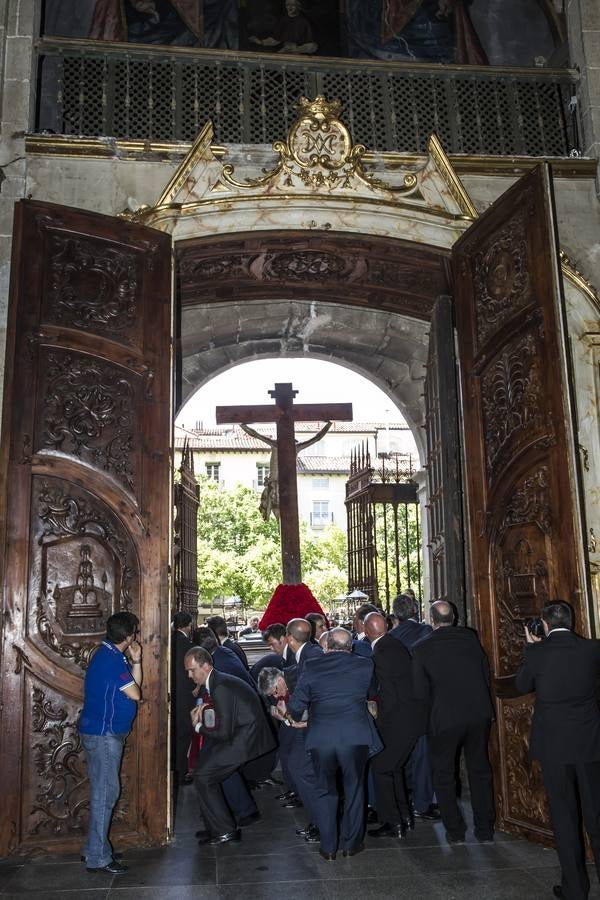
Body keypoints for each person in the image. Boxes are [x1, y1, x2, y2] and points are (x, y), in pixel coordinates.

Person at [516, 601, 600, 900]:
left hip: (553, 745)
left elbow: (522, 684)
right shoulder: (592, 649)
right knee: (596, 812)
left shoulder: (537, 653)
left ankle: (575, 889)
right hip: (589, 741)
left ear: (545, 623)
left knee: (564, 815)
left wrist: (530, 647)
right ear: (572, 620)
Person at [285, 627, 382, 860]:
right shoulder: (365, 665)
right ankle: (352, 844)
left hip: (322, 738)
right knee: (355, 789)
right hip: (355, 737)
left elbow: (297, 706)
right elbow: (371, 694)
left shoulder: (312, 667)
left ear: (327, 646)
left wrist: (296, 717)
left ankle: (328, 847)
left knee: (325, 790)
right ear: (350, 647)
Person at [412, 600, 495, 845]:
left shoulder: (421, 647)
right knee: (480, 771)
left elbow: (420, 693)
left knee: (444, 775)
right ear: (455, 618)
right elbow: (485, 672)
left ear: (431, 620)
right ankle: (485, 829)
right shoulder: (470, 638)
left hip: (444, 718)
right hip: (478, 713)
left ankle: (455, 832)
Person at [185, 646, 276, 844]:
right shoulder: (217, 681)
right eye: (188, 671)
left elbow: (224, 733)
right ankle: (217, 827)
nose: (190, 675)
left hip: (246, 740)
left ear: (206, 666)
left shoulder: (220, 686)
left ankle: (224, 830)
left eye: (192, 670)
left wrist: (198, 726)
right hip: (241, 735)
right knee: (203, 773)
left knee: (203, 775)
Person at [79, 611, 142, 875]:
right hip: (103, 735)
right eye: (135, 632)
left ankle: (94, 848)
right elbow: (136, 694)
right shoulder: (112, 661)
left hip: (100, 732)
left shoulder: (108, 654)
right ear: (129, 636)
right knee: (106, 794)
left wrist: (136, 660)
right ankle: (98, 857)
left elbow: (132, 690)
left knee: (103, 792)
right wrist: (134, 660)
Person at [363, 611, 427, 838]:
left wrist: (380, 722)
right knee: (393, 767)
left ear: (367, 630)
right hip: (412, 718)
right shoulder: (393, 643)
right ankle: (404, 817)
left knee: (380, 767)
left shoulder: (381, 651)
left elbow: (389, 693)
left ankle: (393, 823)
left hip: (400, 720)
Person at [389, 592, 438, 819]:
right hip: (424, 700)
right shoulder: (426, 632)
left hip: (400, 702)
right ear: (415, 611)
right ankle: (422, 801)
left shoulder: (391, 637)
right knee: (423, 753)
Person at [258, 666, 320, 842]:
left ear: (279, 681)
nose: (276, 696)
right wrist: (283, 716)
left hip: (313, 731)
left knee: (304, 774)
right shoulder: (284, 684)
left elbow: (308, 714)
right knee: (297, 769)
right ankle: (316, 822)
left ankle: (319, 824)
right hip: (302, 729)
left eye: (275, 692)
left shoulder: (299, 680)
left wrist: (286, 716)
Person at [171, 611, 195, 788]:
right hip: (185, 696)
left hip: (173, 694)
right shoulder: (187, 644)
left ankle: (175, 771)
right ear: (188, 625)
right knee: (184, 736)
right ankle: (181, 772)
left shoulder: (170, 641)